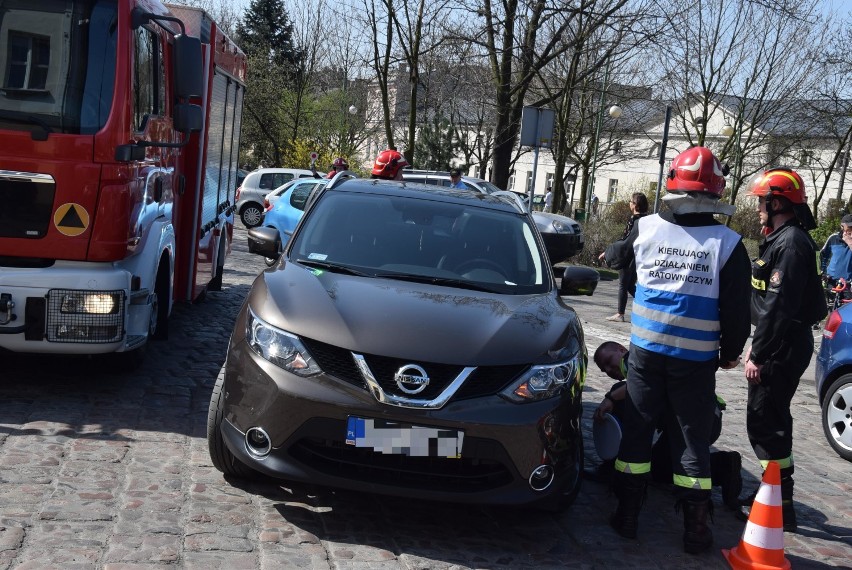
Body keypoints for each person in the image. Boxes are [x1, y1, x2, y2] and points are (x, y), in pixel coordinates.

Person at [602, 146, 751, 554]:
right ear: (716, 192)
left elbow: (618, 259)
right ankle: (697, 529)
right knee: (691, 438)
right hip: (697, 359)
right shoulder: (729, 244)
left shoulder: (647, 228)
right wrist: (730, 351)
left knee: (637, 429)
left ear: (673, 184)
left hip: (648, 353)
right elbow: (737, 310)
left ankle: (628, 516)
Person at [740, 168, 827, 532]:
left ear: (776, 202)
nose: (758, 208)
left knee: (767, 424)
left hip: (780, 345)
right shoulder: (783, 239)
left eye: (762, 202)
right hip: (781, 341)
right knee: (769, 420)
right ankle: (772, 494)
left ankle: (779, 505)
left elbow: (778, 307)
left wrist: (757, 353)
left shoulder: (790, 244)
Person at [587, 342, 743, 512]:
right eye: (605, 369)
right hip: (701, 419)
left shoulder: (634, 358)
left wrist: (610, 398)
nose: (609, 369)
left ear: (622, 350)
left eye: (609, 361)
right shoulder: (652, 358)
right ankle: (723, 467)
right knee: (662, 468)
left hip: (697, 421)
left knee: (622, 398)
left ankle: (616, 467)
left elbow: (642, 383)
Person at [598, 193, 649, 322]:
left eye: (630, 201)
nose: (629, 203)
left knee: (623, 285)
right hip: (638, 258)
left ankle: (620, 314)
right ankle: (649, 307)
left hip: (628, 258)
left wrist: (608, 252)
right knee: (630, 285)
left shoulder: (635, 220)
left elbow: (626, 241)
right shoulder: (647, 221)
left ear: (635, 205)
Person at [819, 213, 852, 289]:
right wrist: (821, 272)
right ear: (842, 227)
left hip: (848, 286)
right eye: (849, 227)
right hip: (831, 283)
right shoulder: (833, 238)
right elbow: (820, 255)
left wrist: (849, 243)